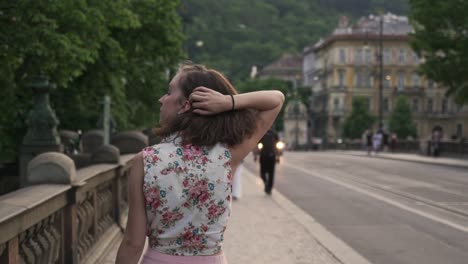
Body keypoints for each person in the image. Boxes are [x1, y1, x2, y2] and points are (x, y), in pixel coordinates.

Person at [115, 62, 284, 264]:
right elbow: (276, 99)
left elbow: (133, 243)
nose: (162, 99)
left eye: (168, 92)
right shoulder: (227, 154)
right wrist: (228, 102)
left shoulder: (145, 160)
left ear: (185, 105)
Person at [258, 129, 279, 195]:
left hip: (264, 155)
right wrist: (278, 155)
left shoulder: (262, 132)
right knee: (271, 173)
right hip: (271, 155)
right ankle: (269, 187)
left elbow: (258, 144)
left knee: (263, 173)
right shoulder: (274, 133)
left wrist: (255, 155)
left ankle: (267, 185)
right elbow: (277, 145)